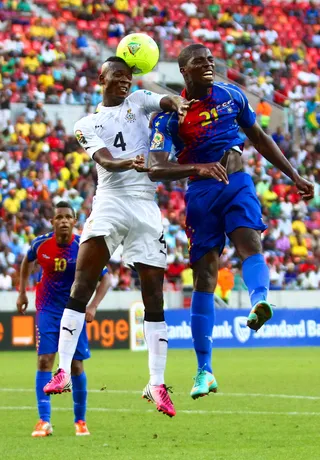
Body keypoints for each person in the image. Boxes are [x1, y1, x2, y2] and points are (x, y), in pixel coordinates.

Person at [148, 44, 314, 399]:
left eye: (210, 60)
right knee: (205, 275)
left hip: (237, 182)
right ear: (184, 72)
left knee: (250, 241)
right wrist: (197, 167)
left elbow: (259, 137)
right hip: (201, 194)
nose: (208, 65)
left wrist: (294, 175)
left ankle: (259, 301)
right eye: (199, 62)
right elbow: (156, 168)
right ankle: (204, 370)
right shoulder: (170, 117)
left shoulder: (232, 95)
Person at [43, 56, 191, 418]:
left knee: (153, 294)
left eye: (128, 77)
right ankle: (62, 370)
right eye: (118, 77)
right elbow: (106, 161)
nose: (125, 82)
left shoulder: (139, 100)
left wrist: (178, 103)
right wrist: (132, 163)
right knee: (83, 284)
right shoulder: (87, 123)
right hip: (110, 200)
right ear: (101, 78)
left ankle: (156, 384)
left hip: (144, 203)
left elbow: (164, 102)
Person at [17, 202, 110, 437]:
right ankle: (44, 421)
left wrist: (93, 306)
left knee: (76, 366)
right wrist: (21, 292)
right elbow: (26, 262)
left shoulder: (84, 246)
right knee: (45, 361)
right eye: (59, 217)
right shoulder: (40, 244)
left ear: (75, 221)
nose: (64, 221)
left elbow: (106, 279)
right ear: (52, 222)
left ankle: (80, 421)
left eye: (68, 217)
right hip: (47, 309)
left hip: (75, 310)